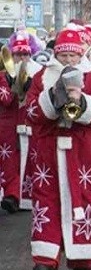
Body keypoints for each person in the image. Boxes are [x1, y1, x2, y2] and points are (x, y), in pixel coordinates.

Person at [25, 28, 91, 270]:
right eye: (64, 56)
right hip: (49, 148)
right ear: (56, 56)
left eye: (74, 56)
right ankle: (45, 261)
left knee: (84, 200)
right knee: (46, 201)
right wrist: (52, 97)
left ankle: (82, 258)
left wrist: (80, 101)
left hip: (83, 151)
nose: (69, 61)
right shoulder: (42, 77)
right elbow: (30, 110)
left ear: (81, 55)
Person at [0, 34, 42, 212]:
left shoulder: (37, 71)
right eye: (18, 54)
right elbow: (7, 99)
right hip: (8, 125)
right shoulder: (4, 74)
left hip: (24, 123)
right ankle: (12, 194)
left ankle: (16, 195)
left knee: (20, 160)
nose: (22, 58)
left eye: (25, 54)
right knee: (10, 160)